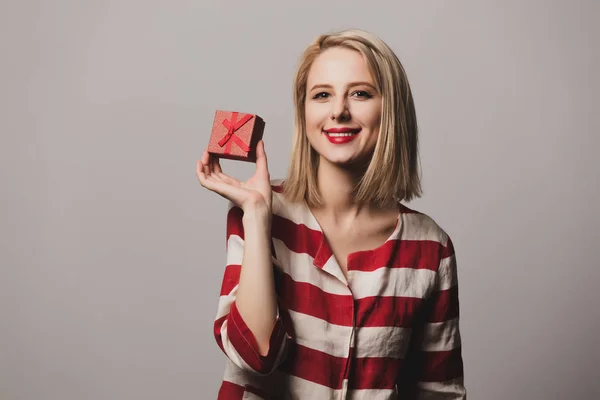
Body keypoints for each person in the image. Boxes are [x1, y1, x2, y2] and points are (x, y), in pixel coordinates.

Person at [197, 28, 466, 400]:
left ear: (391, 109)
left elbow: (438, 392)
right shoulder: (259, 210)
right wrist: (257, 217)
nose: (338, 111)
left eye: (360, 93)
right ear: (304, 111)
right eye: (322, 95)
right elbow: (253, 356)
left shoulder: (430, 249)